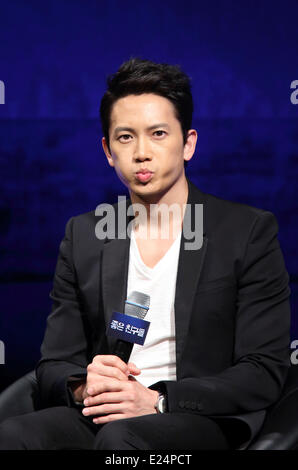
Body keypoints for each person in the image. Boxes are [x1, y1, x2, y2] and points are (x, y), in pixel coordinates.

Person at [0, 58, 291, 450]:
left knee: (122, 441)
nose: (141, 152)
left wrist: (158, 399)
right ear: (107, 150)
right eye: (125, 137)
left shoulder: (246, 232)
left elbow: (264, 370)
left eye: (157, 134)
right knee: (14, 435)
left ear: (188, 143)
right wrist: (86, 385)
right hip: (106, 413)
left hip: (200, 417)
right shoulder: (84, 235)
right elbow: (53, 364)